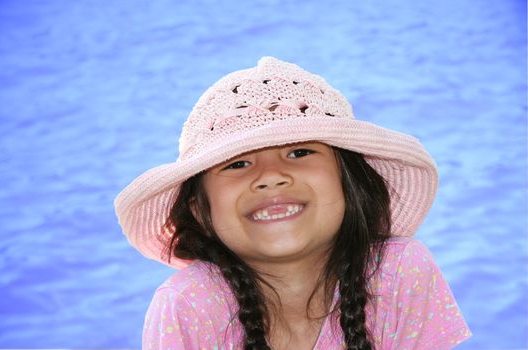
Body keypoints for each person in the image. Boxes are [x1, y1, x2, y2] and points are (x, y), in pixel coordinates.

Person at [114, 57, 472, 349]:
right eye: (238, 163)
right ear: (199, 210)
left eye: (300, 151)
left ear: (351, 184)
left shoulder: (400, 271)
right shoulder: (188, 305)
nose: (271, 175)